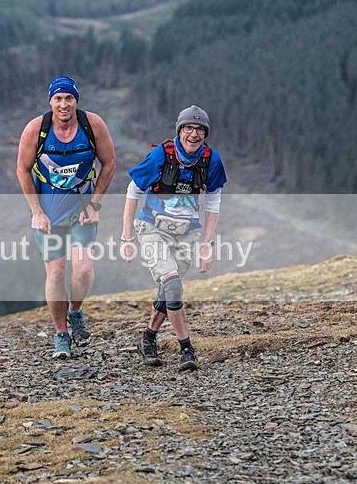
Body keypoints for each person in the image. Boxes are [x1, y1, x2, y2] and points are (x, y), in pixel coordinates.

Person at [16, 76, 116, 359]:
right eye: (58, 99)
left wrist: (94, 205)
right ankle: (61, 335)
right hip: (48, 213)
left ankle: (75, 312)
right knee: (56, 273)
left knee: (83, 270)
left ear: (76, 101)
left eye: (69, 98)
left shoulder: (92, 125)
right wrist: (36, 212)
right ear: (50, 101)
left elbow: (109, 164)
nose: (63, 104)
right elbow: (23, 170)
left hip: (81, 210)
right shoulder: (36, 129)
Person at [121, 105, 227, 371]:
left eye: (200, 129)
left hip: (186, 233)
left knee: (167, 290)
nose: (194, 134)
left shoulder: (211, 160)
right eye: (188, 128)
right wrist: (126, 237)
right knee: (173, 285)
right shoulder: (161, 155)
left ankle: (148, 339)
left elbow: (213, 201)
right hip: (152, 229)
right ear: (180, 130)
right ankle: (186, 348)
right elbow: (133, 190)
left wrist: (207, 244)